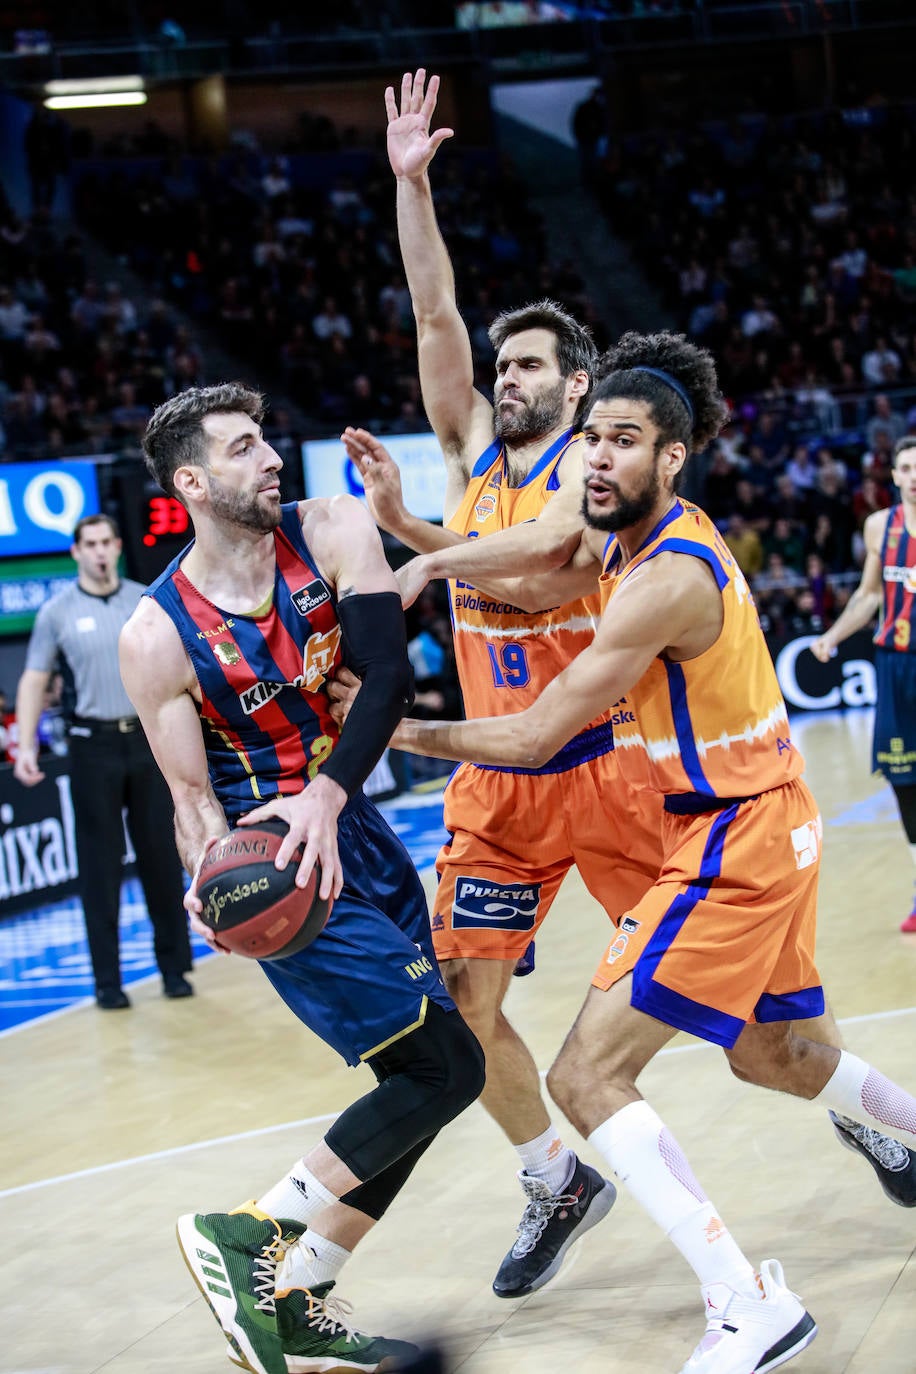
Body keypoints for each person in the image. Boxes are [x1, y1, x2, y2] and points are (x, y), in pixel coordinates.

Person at [334, 332, 916, 1373]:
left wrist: (384, 726)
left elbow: (528, 736)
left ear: (673, 455)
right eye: (591, 439)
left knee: (587, 1076)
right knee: (772, 1054)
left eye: (623, 441)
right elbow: (537, 583)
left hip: (729, 838)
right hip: (766, 818)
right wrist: (411, 533)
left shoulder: (664, 577)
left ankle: (746, 1303)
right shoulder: (626, 546)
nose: (596, 459)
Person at [360, 67, 663, 1297]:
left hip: (604, 768)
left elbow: (544, 583)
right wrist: (412, 186)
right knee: (462, 1010)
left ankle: (856, 1101)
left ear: (577, 384)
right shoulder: (472, 451)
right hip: (499, 778)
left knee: (745, 1009)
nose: (509, 375)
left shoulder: (595, 484)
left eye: (531, 364)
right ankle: (552, 1174)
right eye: (507, 364)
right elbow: (433, 311)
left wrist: (419, 549)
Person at [119, 383, 484, 1374]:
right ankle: (247, 1236)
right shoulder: (155, 637)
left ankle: (299, 1292)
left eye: (267, 440)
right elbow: (189, 799)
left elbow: (387, 676)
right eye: (243, 449)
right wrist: (212, 886)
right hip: (279, 868)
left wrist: (327, 793)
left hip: (350, 823)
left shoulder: (328, 526)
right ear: (192, 481)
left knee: (421, 1080)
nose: (271, 458)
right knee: (447, 1069)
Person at [13, 513, 193, 1010]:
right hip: (91, 746)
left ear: (117, 546)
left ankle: (175, 969)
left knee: (161, 855)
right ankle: (107, 982)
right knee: (100, 865)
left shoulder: (145, 599)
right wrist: (27, 745)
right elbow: (33, 678)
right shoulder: (57, 611)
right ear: (76, 552)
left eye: (105, 542)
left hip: (146, 738)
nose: (97, 551)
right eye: (88, 543)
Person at [812, 434, 916, 932]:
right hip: (895, 667)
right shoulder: (881, 527)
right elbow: (869, 595)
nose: (914, 476)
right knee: (904, 781)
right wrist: (832, 635)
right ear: (893, 476)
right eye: (906, 468)